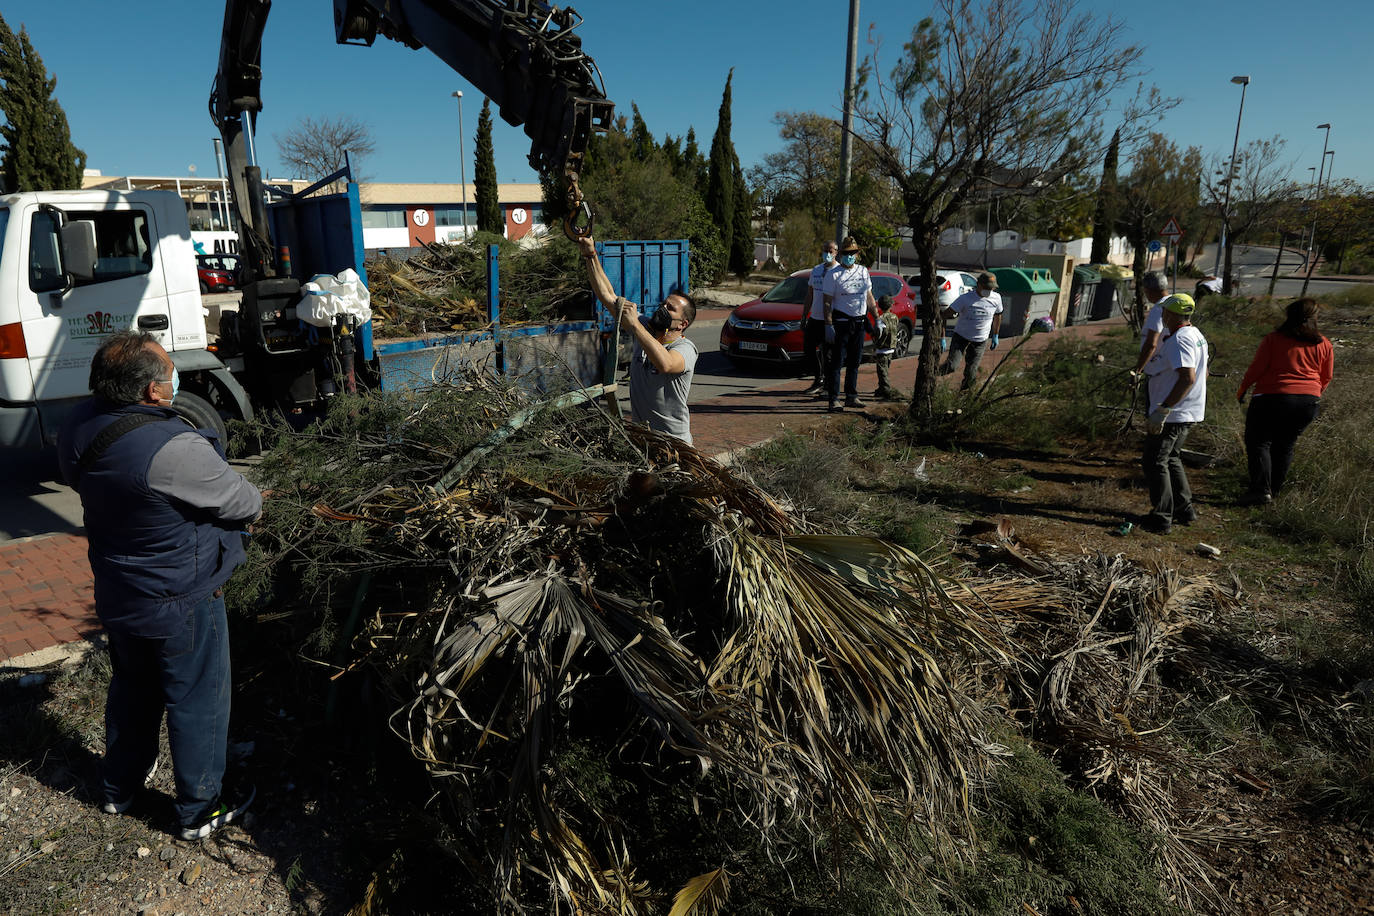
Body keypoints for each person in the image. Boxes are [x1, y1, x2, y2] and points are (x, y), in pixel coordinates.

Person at [56, 331, 262, 840]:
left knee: (133, 688)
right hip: (181, 595)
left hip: (119, 587)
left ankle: (118, 788)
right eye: (169, 372)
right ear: (152, 391)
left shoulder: (77, 425)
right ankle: (200, 810)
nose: (175, 378)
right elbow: (243, 502)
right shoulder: (173, 447)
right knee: (197, 699)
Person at [579, 236, 699, 445]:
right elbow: (608, 295)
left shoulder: (685, 349)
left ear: (682, 324)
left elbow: (666, 363)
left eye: (670, 309)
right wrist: (590, 255)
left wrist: (635, 325)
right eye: (664, 303)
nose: (662, 309)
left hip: (674, 445)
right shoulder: (646, 328)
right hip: (642, 440)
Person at [1235, 298, 1334, 504]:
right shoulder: (1324, 344)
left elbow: (1257, 368)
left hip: (1272, 396)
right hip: (1308, 401)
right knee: (1285, 445)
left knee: (1259, 442)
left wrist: (1243, 389)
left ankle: (1260, 490)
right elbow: (1326, 376)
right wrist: (1313, 394)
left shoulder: (1274, 339)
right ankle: (1274, 491)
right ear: (1314, 319)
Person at [1140, 294, 1209, 534]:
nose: (1163, 316)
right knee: (1171, 458)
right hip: (1186, 410)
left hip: (1174, 413)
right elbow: (1202, 373)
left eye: (1165, 312)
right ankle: (1184, 509)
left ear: (1171, 314)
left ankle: (1162, 517)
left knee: (1154, 461)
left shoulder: (1181, 340)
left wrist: (1163, 409)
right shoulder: (1195, 335)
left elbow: (1187, 377)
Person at [821, 236, 878, 412]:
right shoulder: (833, 274)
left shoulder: (863, 271)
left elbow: (868, 296)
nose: (850, 256)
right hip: (841, 323)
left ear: (857, 254)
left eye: (853, 253)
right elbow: (827, 302)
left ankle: (851, 396)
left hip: (859, 322)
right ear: (841, 254)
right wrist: (828, 324)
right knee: (837, 363)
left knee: (855, 362)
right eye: (846, 253)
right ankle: (834, 399)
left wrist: (877, 318)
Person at [940, 271, 1003, 391]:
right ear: (979, 285)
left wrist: (995, 334)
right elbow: (944, 315)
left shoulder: (996, 298)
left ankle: (964, 396)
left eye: (991, 289)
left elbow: (998, 315)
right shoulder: (965, 299)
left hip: (980, 340)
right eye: (986, 288)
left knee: (971, 372)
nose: (989, 291)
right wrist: (942, 338)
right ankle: (932, 374)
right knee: (952, 366)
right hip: (961, 337)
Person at [802, 240, 839, 396]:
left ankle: (828, 386)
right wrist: (804, 315)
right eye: (825, 250)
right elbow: (810, 294)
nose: (828, 253)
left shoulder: (839, 271)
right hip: (815, 318)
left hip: (830, 319)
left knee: (828, 354)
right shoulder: (816, 270)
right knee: (809, 349)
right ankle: (819, 378)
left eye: (831, 250)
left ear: (836, 252)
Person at [1131, 271, 1171, 376]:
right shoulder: (1173, 303)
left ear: (1150, 290)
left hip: (1156, 369)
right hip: (1167, 365)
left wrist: (1138, 370)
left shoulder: (1158, 308)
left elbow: (1151, 344)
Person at [872, 295, 902, 400]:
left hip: (882, 348)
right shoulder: (895, 317)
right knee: (886, 368)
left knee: (882, 371)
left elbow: (879, 332)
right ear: (891, 305)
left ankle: (886, 390)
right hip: (892, 346)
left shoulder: (881, 319)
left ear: (879, 306)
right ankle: (881, 388)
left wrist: (875, 340)